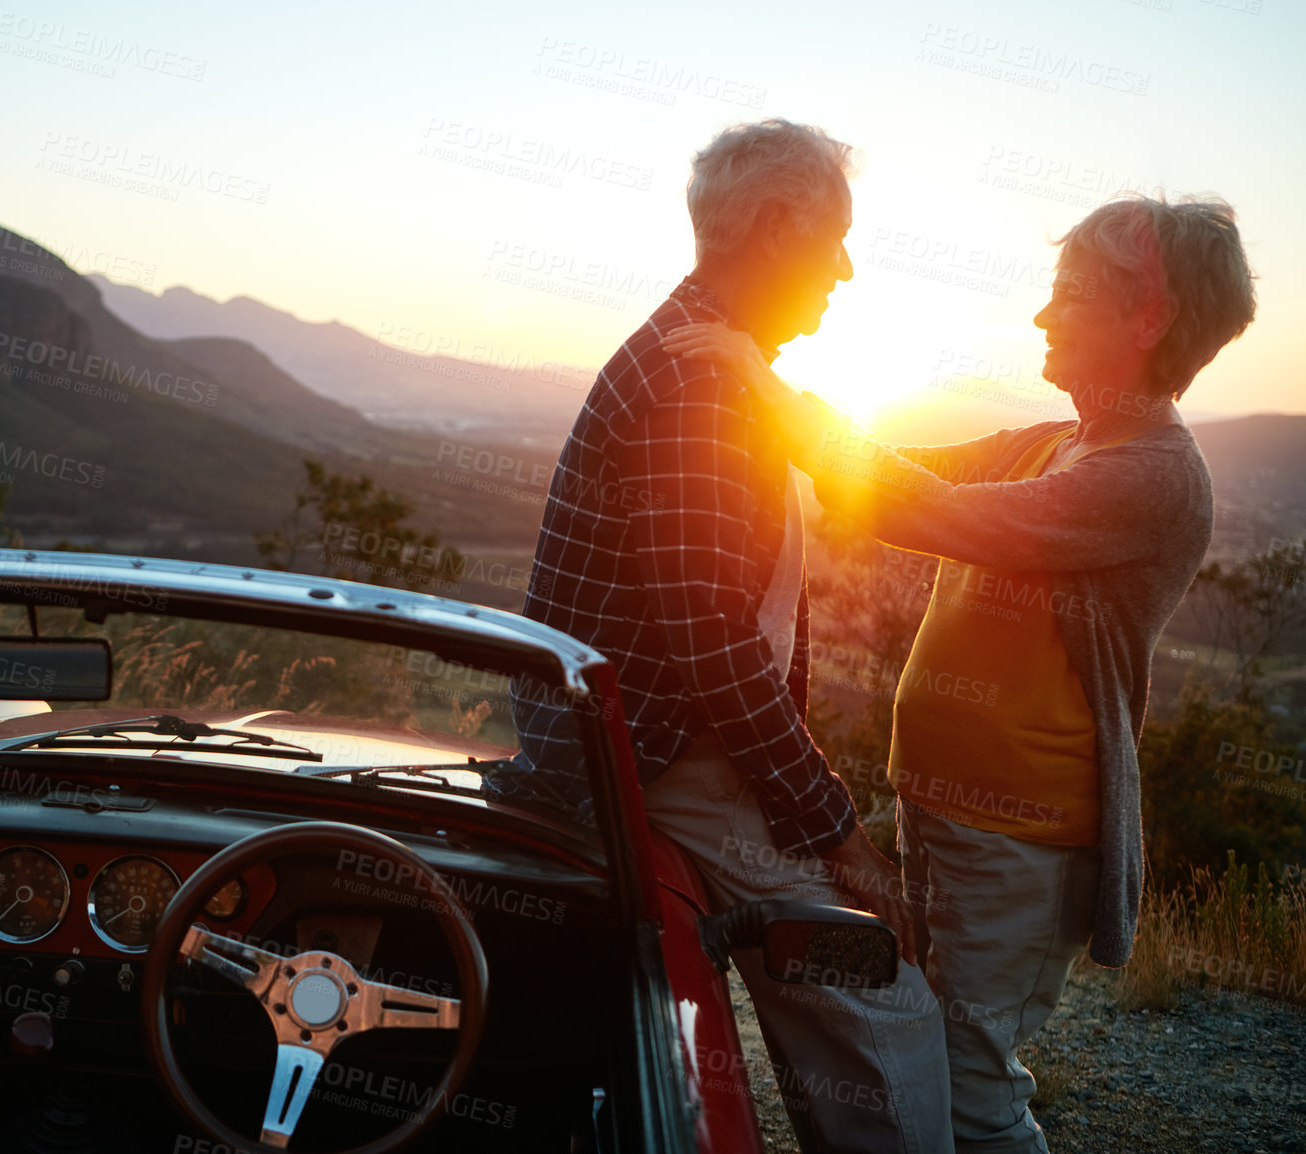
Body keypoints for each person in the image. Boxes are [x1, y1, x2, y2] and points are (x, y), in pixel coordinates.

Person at [663, 195, 1258, 1152]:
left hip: (1020, 840)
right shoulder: (1050, 441)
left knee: (979, 1094)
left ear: (1147, 319)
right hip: (949, 815)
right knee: (929, 1055)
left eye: (1067, 295)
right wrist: (772, 423)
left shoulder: (1151, 477)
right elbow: (890, 472)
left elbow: (939, 514)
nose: (1042, 315)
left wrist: (771, 395)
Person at [515, 119, 951, 1153]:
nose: (845, 269)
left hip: (647, 738)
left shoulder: (714, 356)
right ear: (772, 226)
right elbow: (712, 642)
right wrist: (838, 833)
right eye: (834, 238)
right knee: (884, 998)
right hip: (662, 754)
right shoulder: (700, 380)